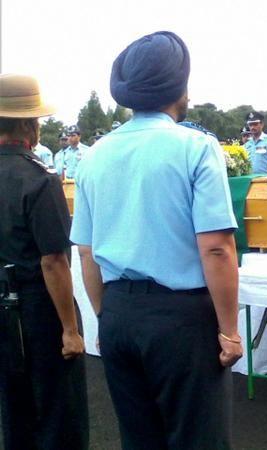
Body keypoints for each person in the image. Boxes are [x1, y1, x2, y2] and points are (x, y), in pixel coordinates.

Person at [70, 31, 242, 449]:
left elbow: (87, 250)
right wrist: (230, 331)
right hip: (180, 319)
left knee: (140, 438)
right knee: (198, 439)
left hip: (119, 312)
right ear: (180, 87)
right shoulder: (196, 147)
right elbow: (216, 246)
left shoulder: (93, 155)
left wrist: (105, 316)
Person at [0, 73, 88, 450]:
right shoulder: (39, 178)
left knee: (13, 410)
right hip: (36, 309)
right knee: (57, 412)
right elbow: (53, 260)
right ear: (28, 124)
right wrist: (69, 327)